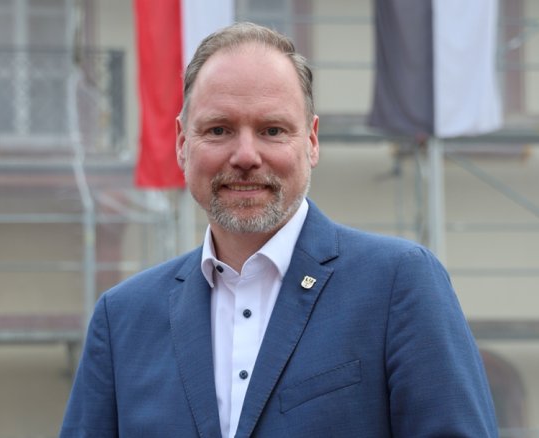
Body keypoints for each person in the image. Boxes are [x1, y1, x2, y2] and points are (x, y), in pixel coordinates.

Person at [60, 22, 498, 437]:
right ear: (181, 143)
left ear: (311, 141)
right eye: (219, 129)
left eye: (272, 130)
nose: (246, 155)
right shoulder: (122, 320)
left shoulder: (398, 284)